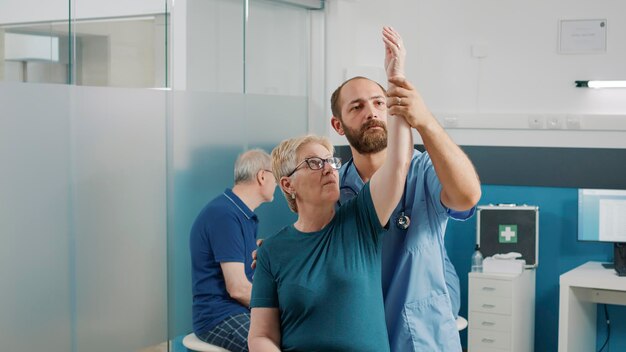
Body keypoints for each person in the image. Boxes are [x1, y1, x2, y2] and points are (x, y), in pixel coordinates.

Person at [248, 27, 414, 352]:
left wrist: (396, 81)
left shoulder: (361, 221)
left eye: (330, 161)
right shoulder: (272, 252)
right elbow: (261, 335)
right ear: (287, 185)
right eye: (313, 163)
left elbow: (398, 163)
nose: (327, 168)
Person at [329, 37, 481, 352]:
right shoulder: (333, 189)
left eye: (379, 102)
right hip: (357, 335)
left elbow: (467, 196)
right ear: (338, 125)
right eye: (356, 107)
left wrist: (424, 121)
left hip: (420, 336)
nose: (371, 112)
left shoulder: (424, 171)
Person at [190, 149, 277, 352]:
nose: (278, 184)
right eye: (276, 176)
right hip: (219, 315)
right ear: (262, 176)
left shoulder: (242, 215)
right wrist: (279, 307)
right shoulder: (225, 215)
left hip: (237, 310)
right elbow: (237, 288)